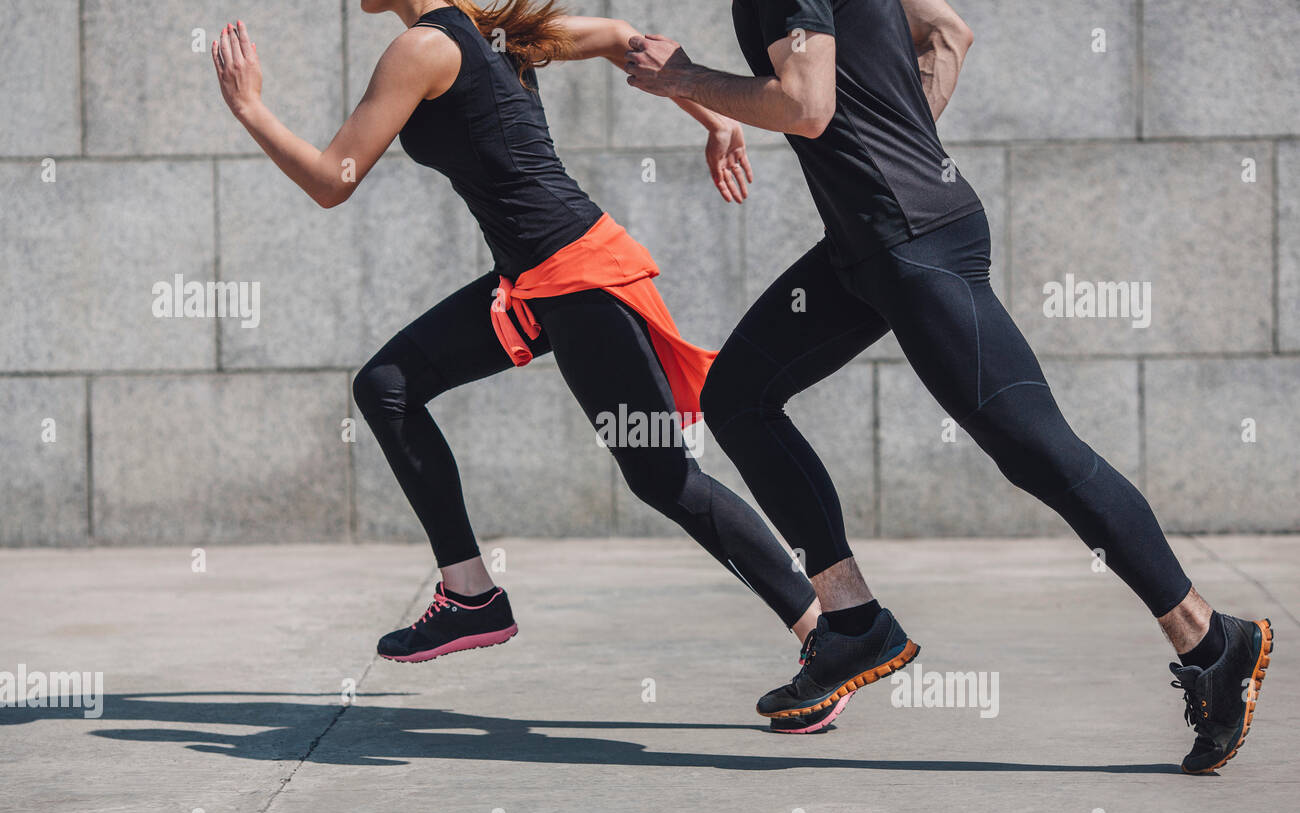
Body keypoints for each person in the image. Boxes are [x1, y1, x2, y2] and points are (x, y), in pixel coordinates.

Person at [623, 0, 1272, 768]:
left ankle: (1211, 640)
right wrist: (901, 146)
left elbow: (804, 104)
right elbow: (948, 32)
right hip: (871, 245)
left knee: (1036, 448)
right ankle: (852, 621)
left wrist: (686, 79)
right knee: (739, 397)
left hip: (911, 244)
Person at [211, 0, 822, 669]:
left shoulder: (426, 48)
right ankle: (471, 595)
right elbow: (623, 38)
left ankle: (826, 633)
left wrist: (250, 108)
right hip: (532, 283)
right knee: (388, 387)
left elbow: (334, 181)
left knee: (667, 480)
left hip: (580, 275)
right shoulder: (493, 35)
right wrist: (715, 118)